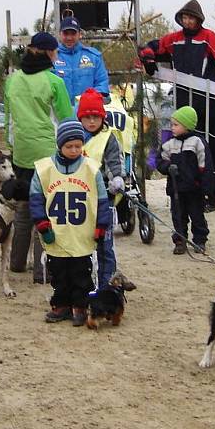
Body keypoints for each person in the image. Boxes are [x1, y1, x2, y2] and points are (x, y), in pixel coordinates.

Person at [139, 0, 215, 210]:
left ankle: (214, 193)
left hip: (210, 100)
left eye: (191, 18)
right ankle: (191, 192)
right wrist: (149, 60)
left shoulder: (208, 38)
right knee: (186, 146)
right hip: (183, 101)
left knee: (211, 146)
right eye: (185, 17)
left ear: (198, 19)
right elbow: (150, 48)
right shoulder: (174, 39)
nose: (187, 21)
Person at [4, 31, 73, 282]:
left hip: (21, 152)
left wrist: (14, 146)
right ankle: (41, 270)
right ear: (48, 53)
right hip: (48, 154)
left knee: (23, 210)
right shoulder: (54, 82)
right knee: (45, 211)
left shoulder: (12, 80)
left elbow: (9, 121)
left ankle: (17, 263)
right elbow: (66, 121)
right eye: (55, 51)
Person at [30, 118, 113, 326]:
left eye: (78, 146)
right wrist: (42, 224)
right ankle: (61, 305)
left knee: (81, 273)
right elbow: (36, 199)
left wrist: (102, 225)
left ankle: (80, 305)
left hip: (82, 234)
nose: (74, 150)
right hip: (55, 233)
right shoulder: (44, 169)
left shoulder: (92, 169)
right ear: (60, 145)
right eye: (69, 146)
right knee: (58, 272)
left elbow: (102, 201)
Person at [76, 87, 125, 289]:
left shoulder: (109, 138)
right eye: (87, 117)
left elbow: (114, 163)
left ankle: (107, 284)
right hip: (79, 200)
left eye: (96, 116)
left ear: (102, 117)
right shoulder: (74, 137)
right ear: (80, 118)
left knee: (105, 246)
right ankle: (85, 283)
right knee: (82, 245)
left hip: (104, 199)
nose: (92, 121)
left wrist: (118, 179)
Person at [156, 106, 212, 255]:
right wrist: (168, 167)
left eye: (176, 125)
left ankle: (200, 240)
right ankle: (180, 240)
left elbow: (205, 166)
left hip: (194, 188)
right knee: (178, 216)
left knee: (197, 215)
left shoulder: (197, 143)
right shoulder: (169, 144)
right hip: (176, 189)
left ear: (186, 126)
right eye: (171, 124)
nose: (172, 128)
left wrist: (206, 188)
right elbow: (160, 161)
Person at [53, 14, 109, 105]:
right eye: (66, 33)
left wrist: (91, 100)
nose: (69, 37)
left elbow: (102, 83)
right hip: (59, 114)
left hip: (87, 113)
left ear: (80, 34)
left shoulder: (93, 57)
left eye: (73, 33)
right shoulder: (51, 58)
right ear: (60, 34)